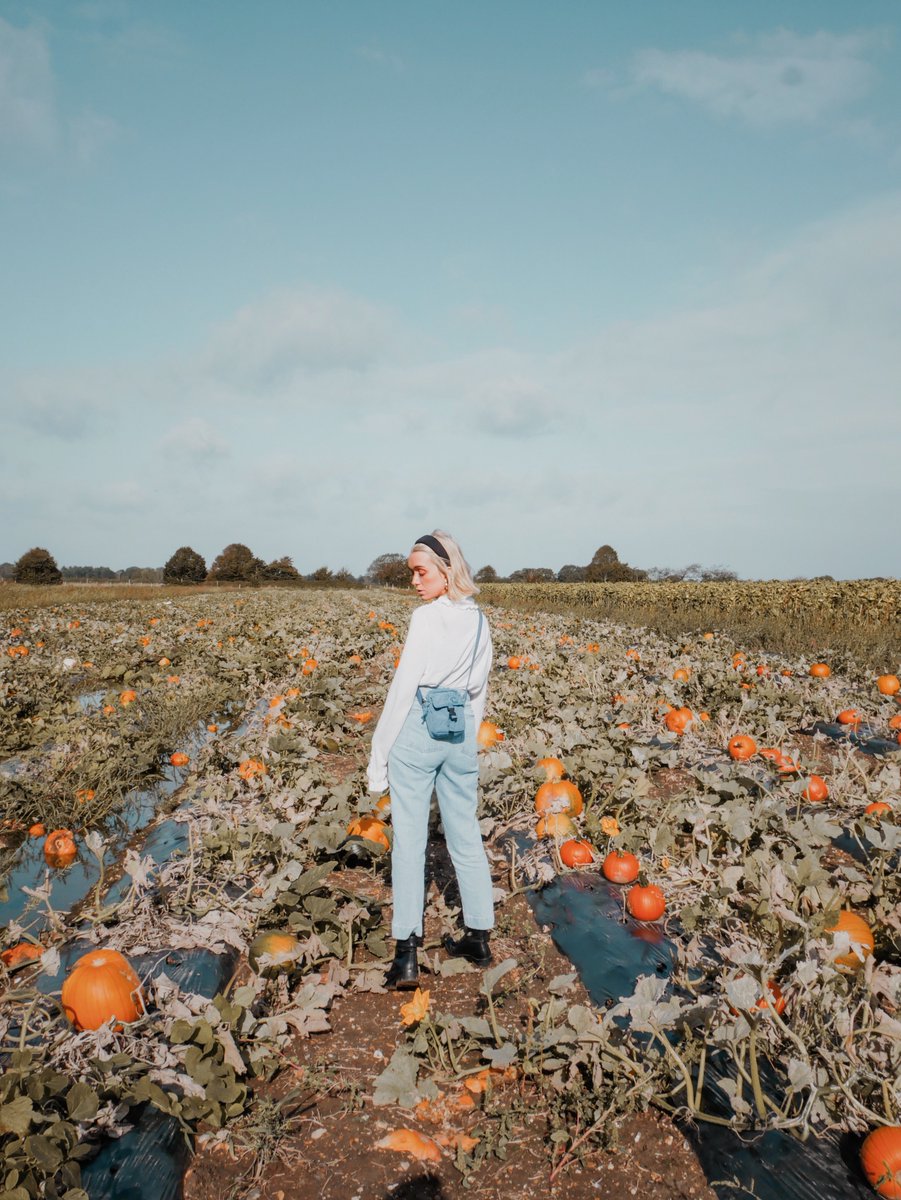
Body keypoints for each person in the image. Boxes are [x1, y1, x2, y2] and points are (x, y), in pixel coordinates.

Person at [367, 530, 495, 989]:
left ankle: (405, 955)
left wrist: (379, 755)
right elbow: (478, 689)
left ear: (446, 570)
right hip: (460, 727)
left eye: (421, 572)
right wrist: (464, 738)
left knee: (410, 841)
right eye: (412, 574)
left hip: (419, 727)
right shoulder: (480, 620)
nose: (415, 582)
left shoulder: (424, 619)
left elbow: (403, 688)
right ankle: (479, 936)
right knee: (465, 834)